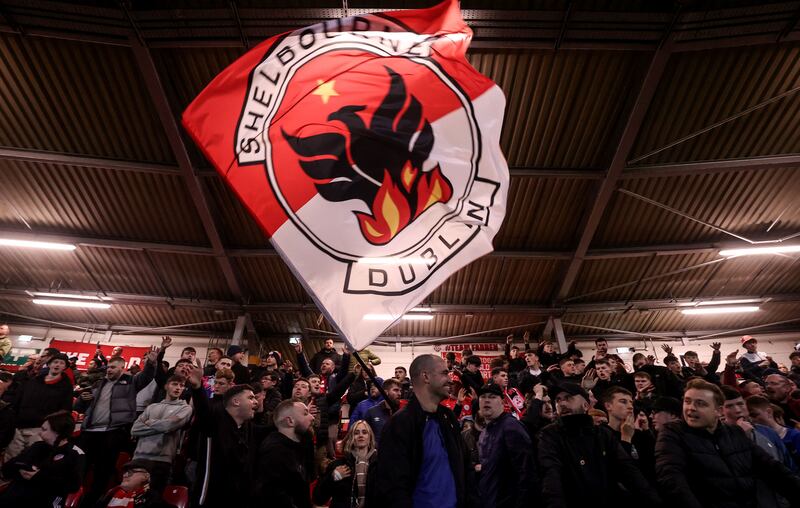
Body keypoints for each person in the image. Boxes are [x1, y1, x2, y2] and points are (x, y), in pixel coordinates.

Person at [655, 378, 800, 508]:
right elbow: (672, 480)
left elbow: (773, 469)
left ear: (718, 411)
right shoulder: (673, 433)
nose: (691, 408)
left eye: (700, 403)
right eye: (687, 401)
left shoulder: (735, 434)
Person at [371, 354, 475, 508]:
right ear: (426, 376)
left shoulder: (449, 418)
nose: (450, 379)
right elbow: (392, 486)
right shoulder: (400, 424)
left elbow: (465, 467)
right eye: (444, 373)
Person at [537, 384, 662, 508]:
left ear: (585, 405)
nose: (561, 403)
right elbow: (551, 477)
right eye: (558, 400)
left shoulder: (602, 434)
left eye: (568, 397)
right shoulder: (550, 435)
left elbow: (628, 471)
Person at [76, 349, 157, 505]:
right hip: (89, 432)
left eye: (113, 367)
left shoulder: (130, 382)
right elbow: (82, 405)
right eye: (108, 367)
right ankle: (73, 499)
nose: (109, 370)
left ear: (122, 368)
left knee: (102, 472)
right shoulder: (99, 383)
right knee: (80, 469)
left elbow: (146, 376)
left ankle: (92, 503)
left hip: (112, 433)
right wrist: (83, 398)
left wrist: (151, 363)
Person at [187, 364, 264, 508]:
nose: (255, 402)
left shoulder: (247, 426)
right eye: (251, 398)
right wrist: (198, 388)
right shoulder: (215, 417)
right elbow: (204, 414)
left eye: (220, 383)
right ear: (236, 402)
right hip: (211, 497)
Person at [0, 410, 85, 508]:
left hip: (45, 499)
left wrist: (38, 476)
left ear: (57, 432)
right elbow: (7, 469)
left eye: (44, 430)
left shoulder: (74, 454)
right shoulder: (37, 446)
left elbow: (73, 486)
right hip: (15, 496)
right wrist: (21, 469)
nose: (40, 433)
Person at [130, 374, 194, 495]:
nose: (178, 388)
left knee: (154, 498)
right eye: (175, 384)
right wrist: (162, 425)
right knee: (130, 497)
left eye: (182, 385)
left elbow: (169, 426)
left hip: (162, 461)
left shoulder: (185, 408)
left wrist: (150, 422)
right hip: (139, 458)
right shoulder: (152, 407)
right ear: (166, 386)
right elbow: (135, 429)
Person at [476, 384, 536, 508]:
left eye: (492, 397)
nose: (486, 400)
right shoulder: (484, 433)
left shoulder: (511, 426)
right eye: (483, 396)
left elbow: (526, 471)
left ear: (503, 402)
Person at [5, 352, 73, 460]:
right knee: (10, 457)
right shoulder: (34, 381)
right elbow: (19, 399)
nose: (58, 365)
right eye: (55, 362)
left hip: (40, 429)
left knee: (31, 459)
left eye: (61, 363)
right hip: (19, 426)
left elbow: (65, 409)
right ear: (49, 364)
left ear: (65, 367)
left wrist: (49, 426)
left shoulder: (66, 386)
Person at [255, 399, 316, 508]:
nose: (312, 417)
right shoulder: (274, 453)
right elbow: (274, 496)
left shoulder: (298, 446)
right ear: (290, 421)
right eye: (305, 413)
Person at [719, 385, 795, 470]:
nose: (738, 410)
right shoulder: (718, 438)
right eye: (729, 406)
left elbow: (788, 463)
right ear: (720, 411)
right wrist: (742, 437)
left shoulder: (767, 431)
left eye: (740, 404)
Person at [313, 419, 377, 508]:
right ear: (351, 438)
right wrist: (332, 478)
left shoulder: (379, 465)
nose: (361, 435)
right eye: (356, 433)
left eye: (364, 432)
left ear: (370, 437)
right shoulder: (337, 465)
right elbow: (318, 499)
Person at [747, 395, 800, 466]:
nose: (751, 419)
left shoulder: (795, 436)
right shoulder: (755, 438)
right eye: (747, 417)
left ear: (769, 412)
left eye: (753, 415)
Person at [96, 459, 165, 508]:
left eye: (130, 472)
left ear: (146, 476)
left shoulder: (151, 500)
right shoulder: (110, 493)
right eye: (125, 472)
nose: (125, 475)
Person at [365, 378, 402, 445]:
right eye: (396, 390)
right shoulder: (372, 412)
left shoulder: (404, 412)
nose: (399, 393)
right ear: (385, 392)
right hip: (379, 453)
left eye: (400, 391)